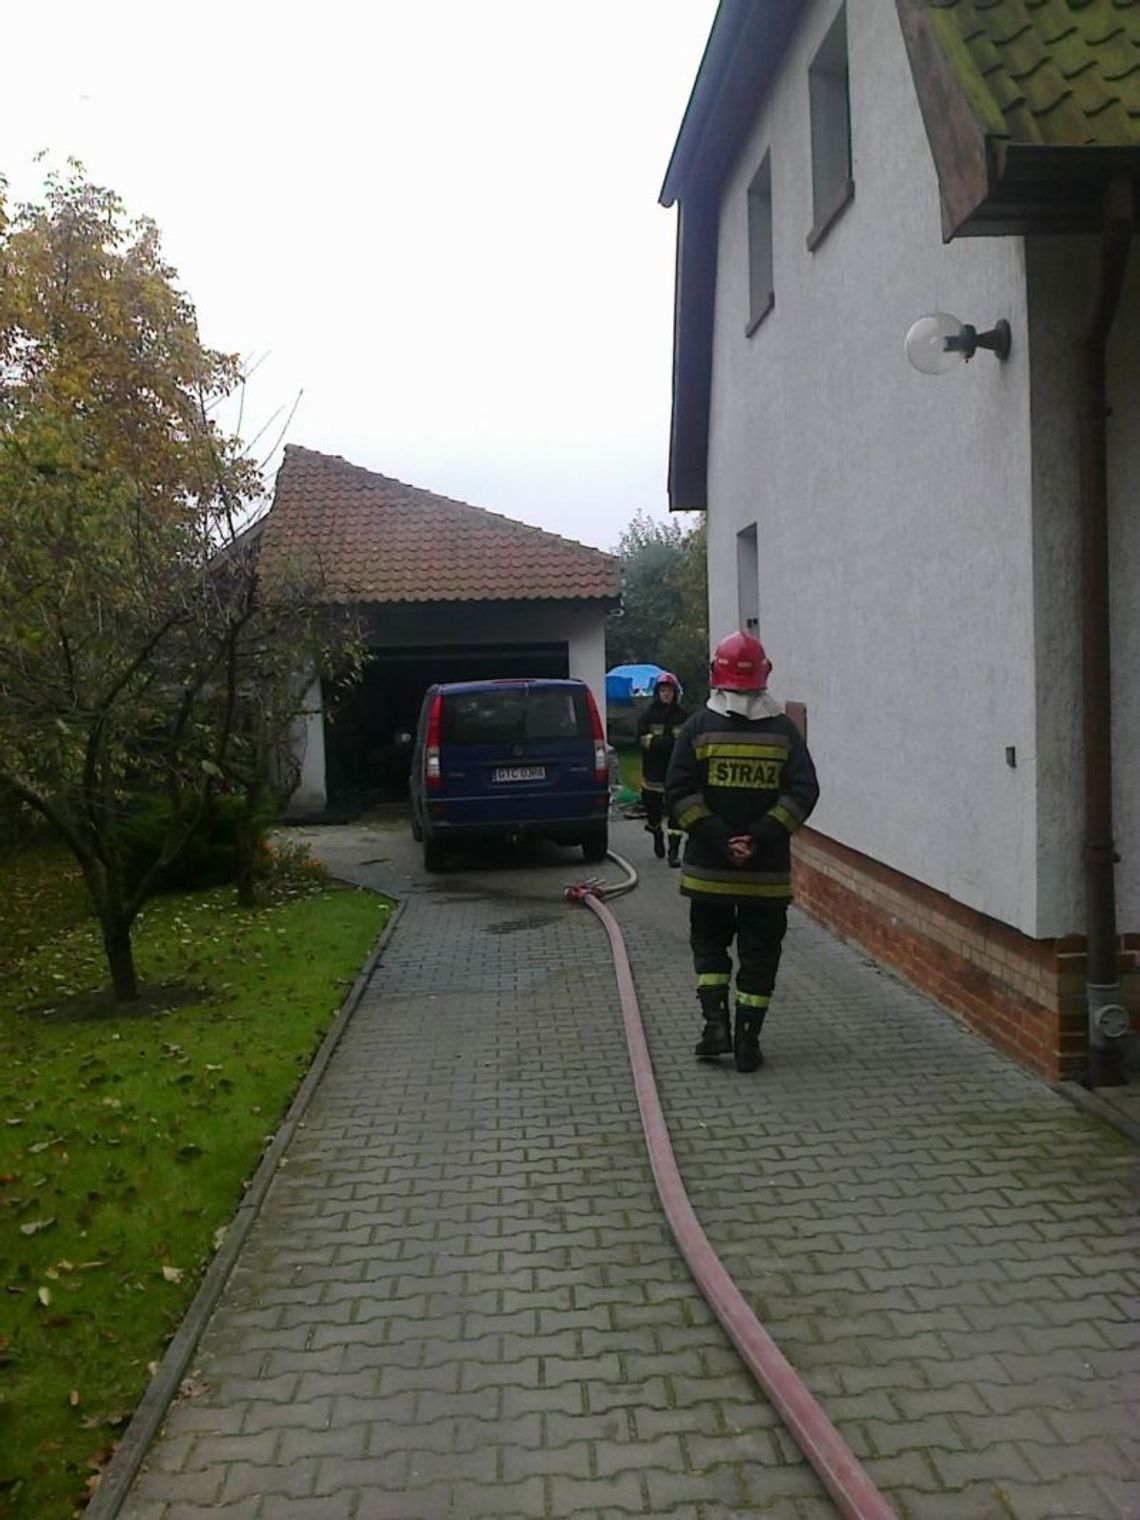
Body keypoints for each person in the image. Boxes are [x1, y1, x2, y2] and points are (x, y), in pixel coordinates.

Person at [665, 631, 819, 1072]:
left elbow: (679, 792)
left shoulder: (698, 728)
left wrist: (719, 837)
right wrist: (760, 836)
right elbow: (804, 791)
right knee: (760, 955)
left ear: (716, 674)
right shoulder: (783, 732)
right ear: (764, 675)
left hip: (709, 873)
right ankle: (748, 1042)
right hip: (765, 876)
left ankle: (715, 1025)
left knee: (710, 947)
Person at [636, 672, 688, 865]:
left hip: (675, 771)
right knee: (653, 810)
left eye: (670, 691)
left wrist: (663, 743)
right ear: (657, 693)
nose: (666, 694)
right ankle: (656, 832)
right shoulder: (648, 715)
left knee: (676, 813)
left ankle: (673, 852)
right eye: (663, 691)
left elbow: (686, 742)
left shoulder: (682, 716)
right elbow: (641, 739)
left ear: (675, 693)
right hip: (653, 771)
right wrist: (665, 743)